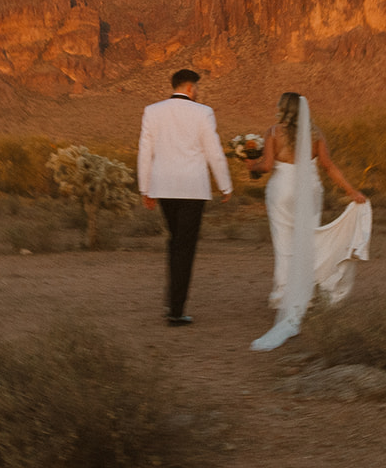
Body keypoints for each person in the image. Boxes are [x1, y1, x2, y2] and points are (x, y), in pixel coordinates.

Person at [245, 92, 370, 351]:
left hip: (282, 192)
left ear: (283, 109)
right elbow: (329, 166)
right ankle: (308, 294)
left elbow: (267, 166)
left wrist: (250, 165)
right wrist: (351, 191)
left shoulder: (274, 132)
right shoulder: (315, 134)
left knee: (284, 246)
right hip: (309, 191)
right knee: (307, 241)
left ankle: (283, 297)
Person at [137, 69, 233, 326]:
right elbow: (213, 151)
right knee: (184, 247)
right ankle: (176, 311)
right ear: (190, 87)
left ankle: (172, 301)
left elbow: (145, 152)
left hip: (164, 187)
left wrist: (145, 188)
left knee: (175, 242)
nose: (198, 91)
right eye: (197, 87)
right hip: (192, 189)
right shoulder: (203, 113)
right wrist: (225, 184)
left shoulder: (152, 111)